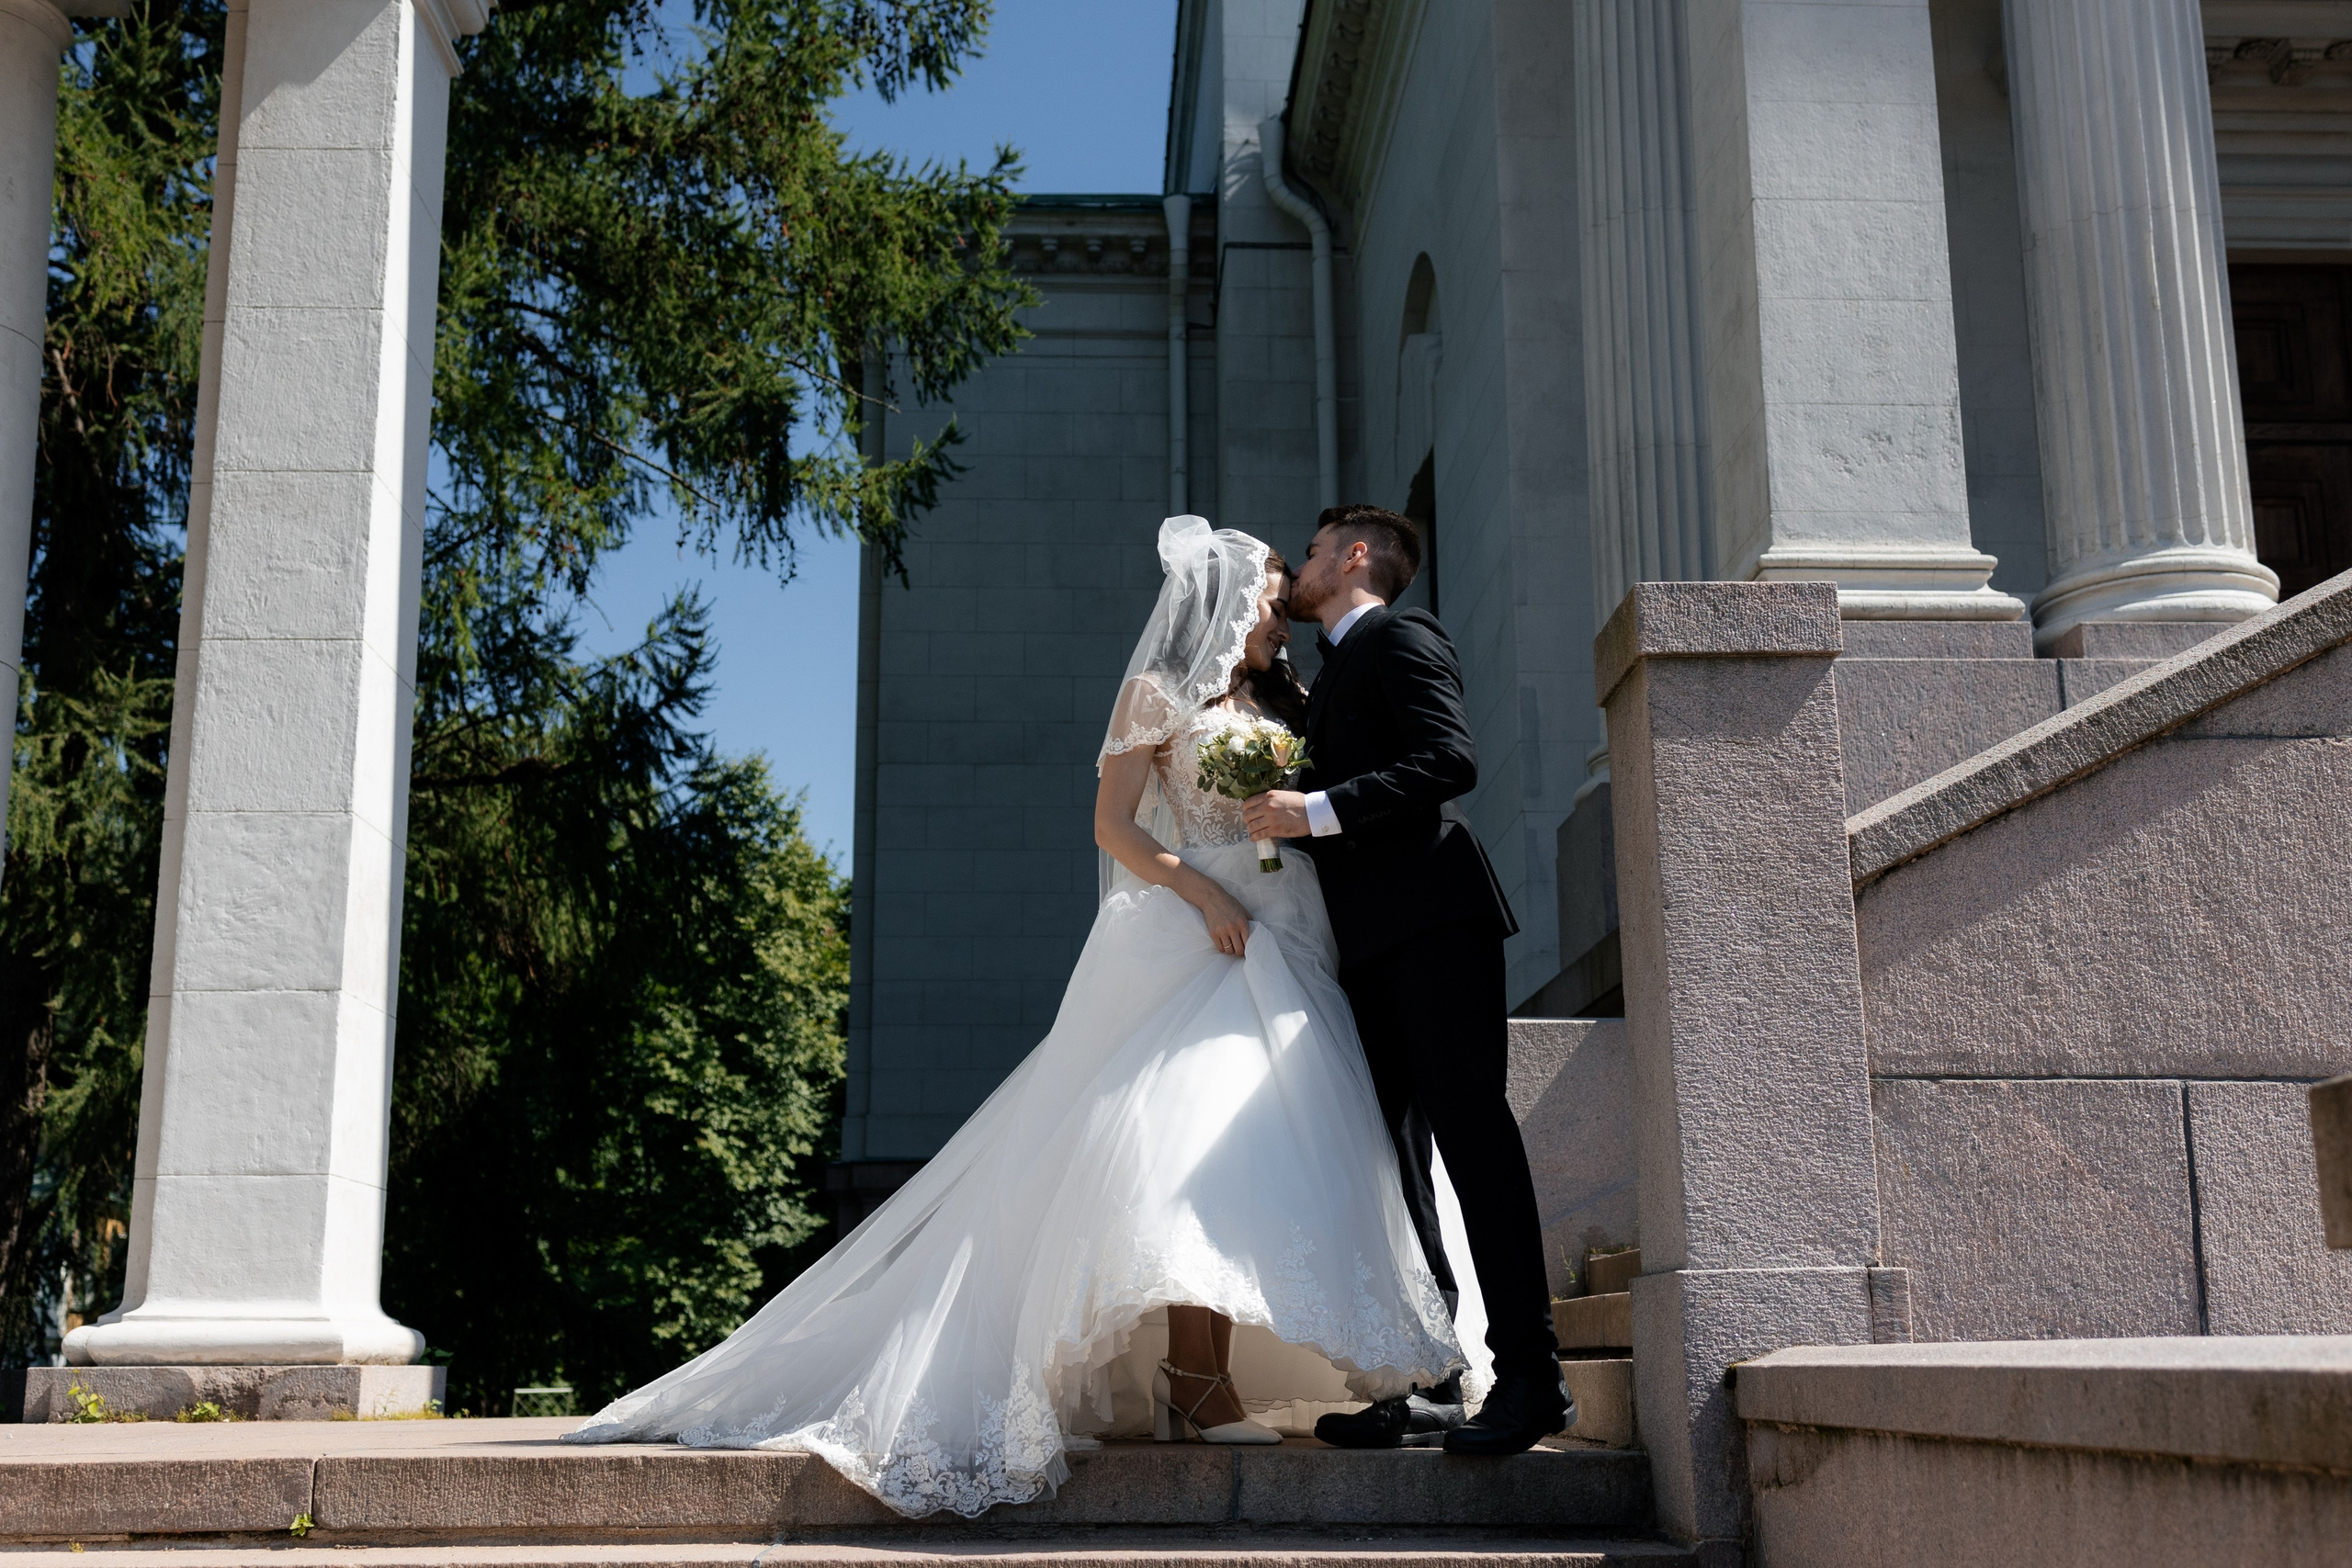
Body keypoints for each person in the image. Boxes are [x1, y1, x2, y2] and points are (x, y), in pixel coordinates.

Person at [562, 516, 1467, 1518]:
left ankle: (1324, 1369)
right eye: (1262, 597)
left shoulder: (1289, 695)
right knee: (1184, 1141)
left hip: (1299, 931)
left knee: (1284, 1145)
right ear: (1217, 604)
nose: (1276, 609)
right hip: (1208, 926)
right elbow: (1112, 826)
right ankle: (1198, 1378)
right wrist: (1201, 894)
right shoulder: (1157, 693)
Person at [1241, 503, 1571, 1457]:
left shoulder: (1402, 635)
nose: (1296, 571)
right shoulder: (1335, 665)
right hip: (1365, 948)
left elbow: (1448, 759)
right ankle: (1434, 1378)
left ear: (1354, 557)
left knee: (1472, 1142)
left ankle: (1533, 1379)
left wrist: (1317, 811)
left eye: (1307, 553)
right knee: (1394, 1161)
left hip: (1436, 926)